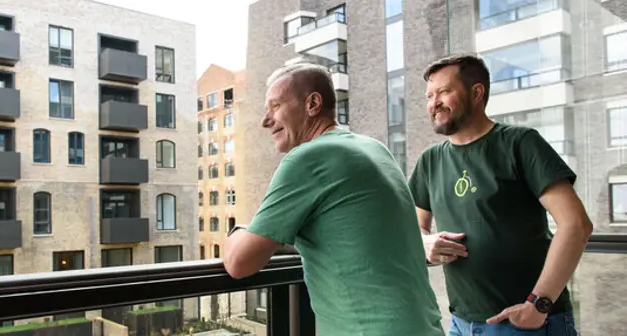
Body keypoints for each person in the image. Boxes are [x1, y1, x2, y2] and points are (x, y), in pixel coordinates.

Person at [222, 63, 445, 335]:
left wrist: (239, 230)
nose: (265, 120)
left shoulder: (306, 159)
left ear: (313, 103)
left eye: (275, 106)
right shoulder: (374, 148)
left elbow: (239, 263)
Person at [409, 54, 593, 335]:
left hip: (526, 323)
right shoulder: (430, 161)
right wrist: (425, 244)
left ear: (477, 92)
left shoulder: (520, 143)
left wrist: (538, 305)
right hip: (460, 323)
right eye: (429, 95)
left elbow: (576, 225)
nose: (434, 103)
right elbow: (413, 227)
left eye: (444, 92)